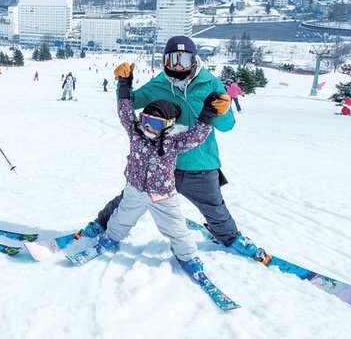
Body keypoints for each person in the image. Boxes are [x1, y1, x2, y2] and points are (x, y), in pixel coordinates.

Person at [80, 36, 262, 258]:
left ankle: (231, 238)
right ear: (165, 60)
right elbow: (133, 101)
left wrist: (222, 112)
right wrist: (123, 80)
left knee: (214, 207)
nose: (177, 65)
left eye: (183, 59)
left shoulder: (210, 83)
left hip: (198, 163)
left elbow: (228, 126)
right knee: (130, 196)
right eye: (172, 59)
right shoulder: (159, 83)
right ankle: (102, 223)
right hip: (160, 161)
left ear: (194, 60)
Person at [81, 62, 224, 274]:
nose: (148, 127)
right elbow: (125, 110)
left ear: (168, 126)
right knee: (121, 218)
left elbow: (197, 136)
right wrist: (124, 84)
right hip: (135, 189)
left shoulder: (173, 143)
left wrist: (208, 114)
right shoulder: (136, 133)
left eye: (155, 124)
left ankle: (188, 256)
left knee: (175, 228)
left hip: (162, 196)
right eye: (146, 120)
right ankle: (111, 238)